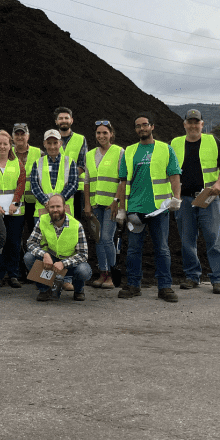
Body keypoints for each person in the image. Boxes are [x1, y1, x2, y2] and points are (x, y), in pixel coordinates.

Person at [115, 114, 182, 303]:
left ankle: (165, 287)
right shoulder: (129, 151)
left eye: (145, 125)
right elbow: (123, 182)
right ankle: (133, 285)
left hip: (159, 209)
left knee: (162, 249)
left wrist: (176, 198)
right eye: (138, 126)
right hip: (135, 209)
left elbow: (174, 175)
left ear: (152, 126)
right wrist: (121, 209)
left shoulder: (165, 149)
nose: (142, 128)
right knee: (134, 250)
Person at [171, 109, 220, 294]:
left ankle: (218, 278)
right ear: (184, 124)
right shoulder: (175, 143)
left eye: (196, 122)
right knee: (187, 240)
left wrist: (218, 184)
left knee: (213, 238)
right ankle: (192, 276)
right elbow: (169, 170)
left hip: (208, 197)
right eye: (190, 122)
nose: (193, 125)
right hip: (184, 199)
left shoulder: (212, 141)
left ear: (202, 124)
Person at [24, 194, 92, 301]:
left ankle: (79, 290)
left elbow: (83, 255)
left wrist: (63, 263)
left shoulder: (76, 225)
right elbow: (30, 243)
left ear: (64, 207)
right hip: (51, 260)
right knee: (28, 257)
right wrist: (45, 254)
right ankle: (45, 289)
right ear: (48, 208)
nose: (55, 210)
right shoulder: (42, 220)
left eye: (58, 206)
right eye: (52, 207)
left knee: (83, 270)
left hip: (70, 264)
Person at [0, 130, 27, 288]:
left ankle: (13, 275)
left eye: (5, 144)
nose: (2, 146)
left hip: (15, 210)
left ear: (10, 146)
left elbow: (21, 183)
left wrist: (15, 202)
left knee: (14, 243)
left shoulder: (17, 163)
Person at [83, 120, 125, 289]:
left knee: (107, 238)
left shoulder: (119, 152)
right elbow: (87, 181)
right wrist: (87, 204)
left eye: (105, 133)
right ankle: (103, 273)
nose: (101, 136)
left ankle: (113, 274)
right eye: (98, 133)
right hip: (95, 204)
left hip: (111, 205)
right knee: (98, 239)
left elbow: (122, 180)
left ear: (111, 134)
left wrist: (116, 201)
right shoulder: (89, 155)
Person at [29, 129, 79, 218]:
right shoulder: (37, 163)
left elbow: (73, 184)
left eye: (55, 143)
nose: (52, 147)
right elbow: (34, 186)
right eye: (49, 143)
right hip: (43, 210)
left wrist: (59, 201)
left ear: (60, 143)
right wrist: (45, 202)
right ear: (44, 144)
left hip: (64, 209)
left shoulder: (70, 162)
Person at [54, 107, 88, 218]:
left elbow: (82, 164)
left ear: (71, 120)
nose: (63, 120)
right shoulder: (52, 139)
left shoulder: (80, 139)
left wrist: (65, 178)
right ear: (56, 121)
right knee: (58, 219)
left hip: (77, 189)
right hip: (56, 188)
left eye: (66, 118)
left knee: (76, 220)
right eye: (60, 118)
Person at [12, 122, 42, 226]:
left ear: (28, 136)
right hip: (14, 201)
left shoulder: (39, 153)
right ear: (12, 137)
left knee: (33, 230)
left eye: (23, 134)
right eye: (17, 134)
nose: (20, 137)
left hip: (33, 202)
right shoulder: (7, 153)